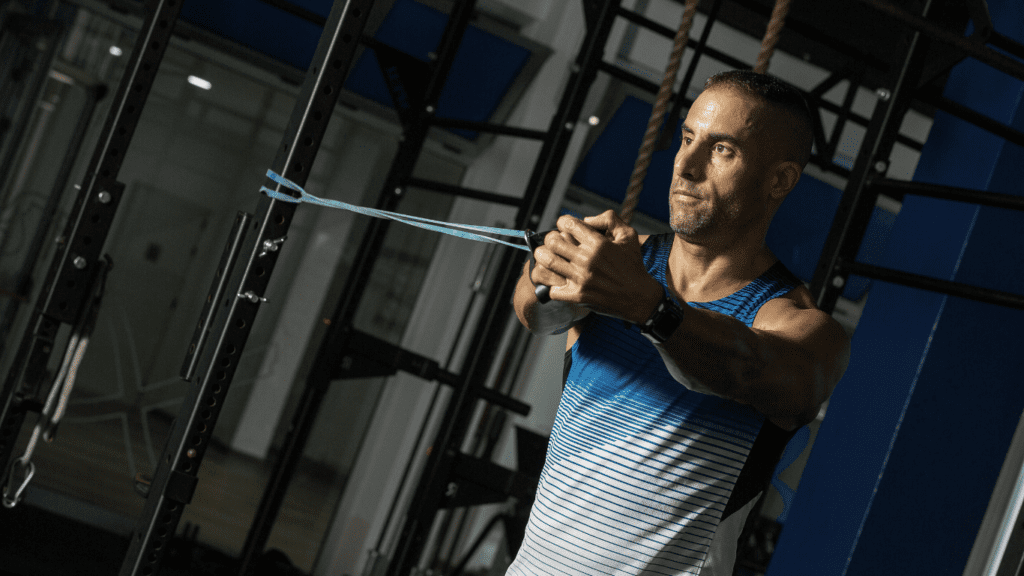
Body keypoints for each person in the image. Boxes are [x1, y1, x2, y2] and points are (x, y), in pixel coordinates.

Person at [506, 70, 850, 576]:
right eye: (687, 138)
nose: (685, 166)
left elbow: (763, 374)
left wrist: (651, 309)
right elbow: (535, 311)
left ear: (780, 180)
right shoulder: (617, 265)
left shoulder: (795, 323)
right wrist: (547, 271)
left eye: (722, 149)